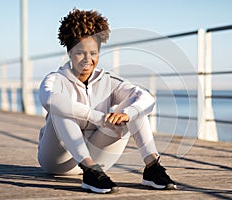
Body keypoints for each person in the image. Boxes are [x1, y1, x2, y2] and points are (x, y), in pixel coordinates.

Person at [38, 8, 176, 194]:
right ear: (69, 52)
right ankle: (89, 171)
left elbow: (147, 99)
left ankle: (152, 167)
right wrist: (98, 117)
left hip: (99, 159)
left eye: (93, 53)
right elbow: (48, 99)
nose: (88, 59)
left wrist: (127, 115)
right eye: (80, 52)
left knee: (134, 107)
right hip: (57, 161)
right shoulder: (56, 79)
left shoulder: (109, 81)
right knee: (60, 108)